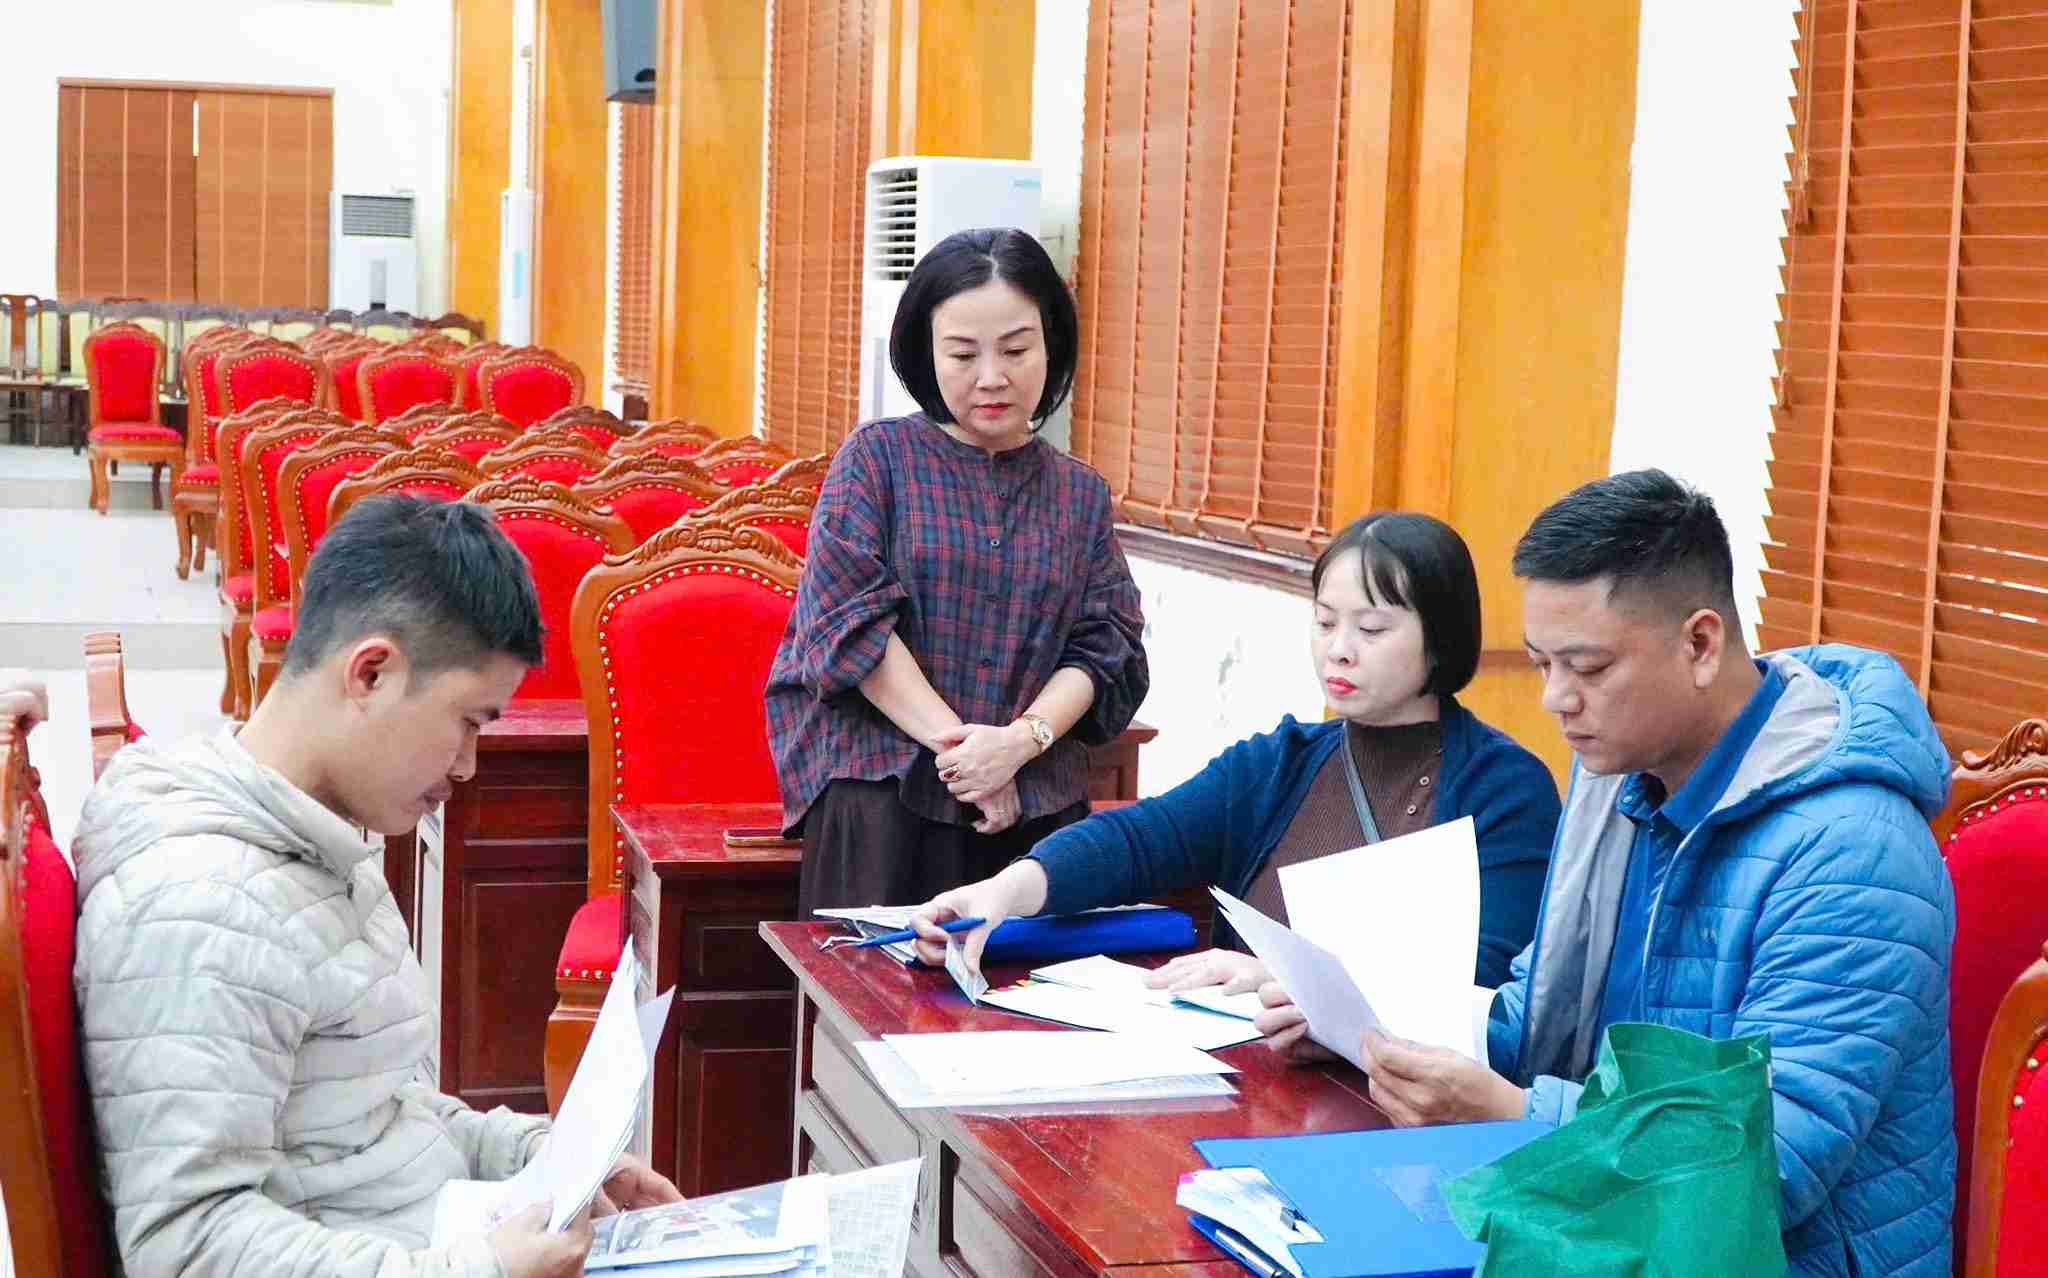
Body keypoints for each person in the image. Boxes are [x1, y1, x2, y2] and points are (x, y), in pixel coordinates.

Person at [1326, 471, 1954, 1277]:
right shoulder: (1619, 778)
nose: (1555, 700)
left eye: (1586, 668)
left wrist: (1519, 1115)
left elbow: (1764, 1167)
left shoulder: (1851, 854)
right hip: (1604, 1227)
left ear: (1699, 644)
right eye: (1542, 663)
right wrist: (1355, 1022)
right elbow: (1535, 1019)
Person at [72, 496, 683, 1278]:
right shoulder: (206, 909)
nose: (467, 766)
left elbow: (368, 1114)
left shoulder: (311, 841)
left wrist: (537, 1152)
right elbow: (188, 1245)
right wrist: (476, 1270)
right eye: (468, 720)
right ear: (372, 671)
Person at [911, 512, 1561, 1001]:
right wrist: (1000, 892)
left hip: (1385, 1109)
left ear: (1442, 640)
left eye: (1371, 629)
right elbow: (1139, 839)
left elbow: (1489, 980)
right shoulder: (1280, 763)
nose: (1338, 648)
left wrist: (1279, 977)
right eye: (1325, 620)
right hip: (1233, 1075)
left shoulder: (1503, 789)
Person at [765, 227, 1149, 917]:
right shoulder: (876, 461)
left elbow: (1104, 649)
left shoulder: (1080, 494)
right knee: (871, 1011)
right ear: (925, 352)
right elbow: (852, 631)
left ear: (1052, 344)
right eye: (963, 354)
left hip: (1034, 805)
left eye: (1016, 349)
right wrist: (968, 761)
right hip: (886, 796)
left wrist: (1013, 745)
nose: (992, 376)